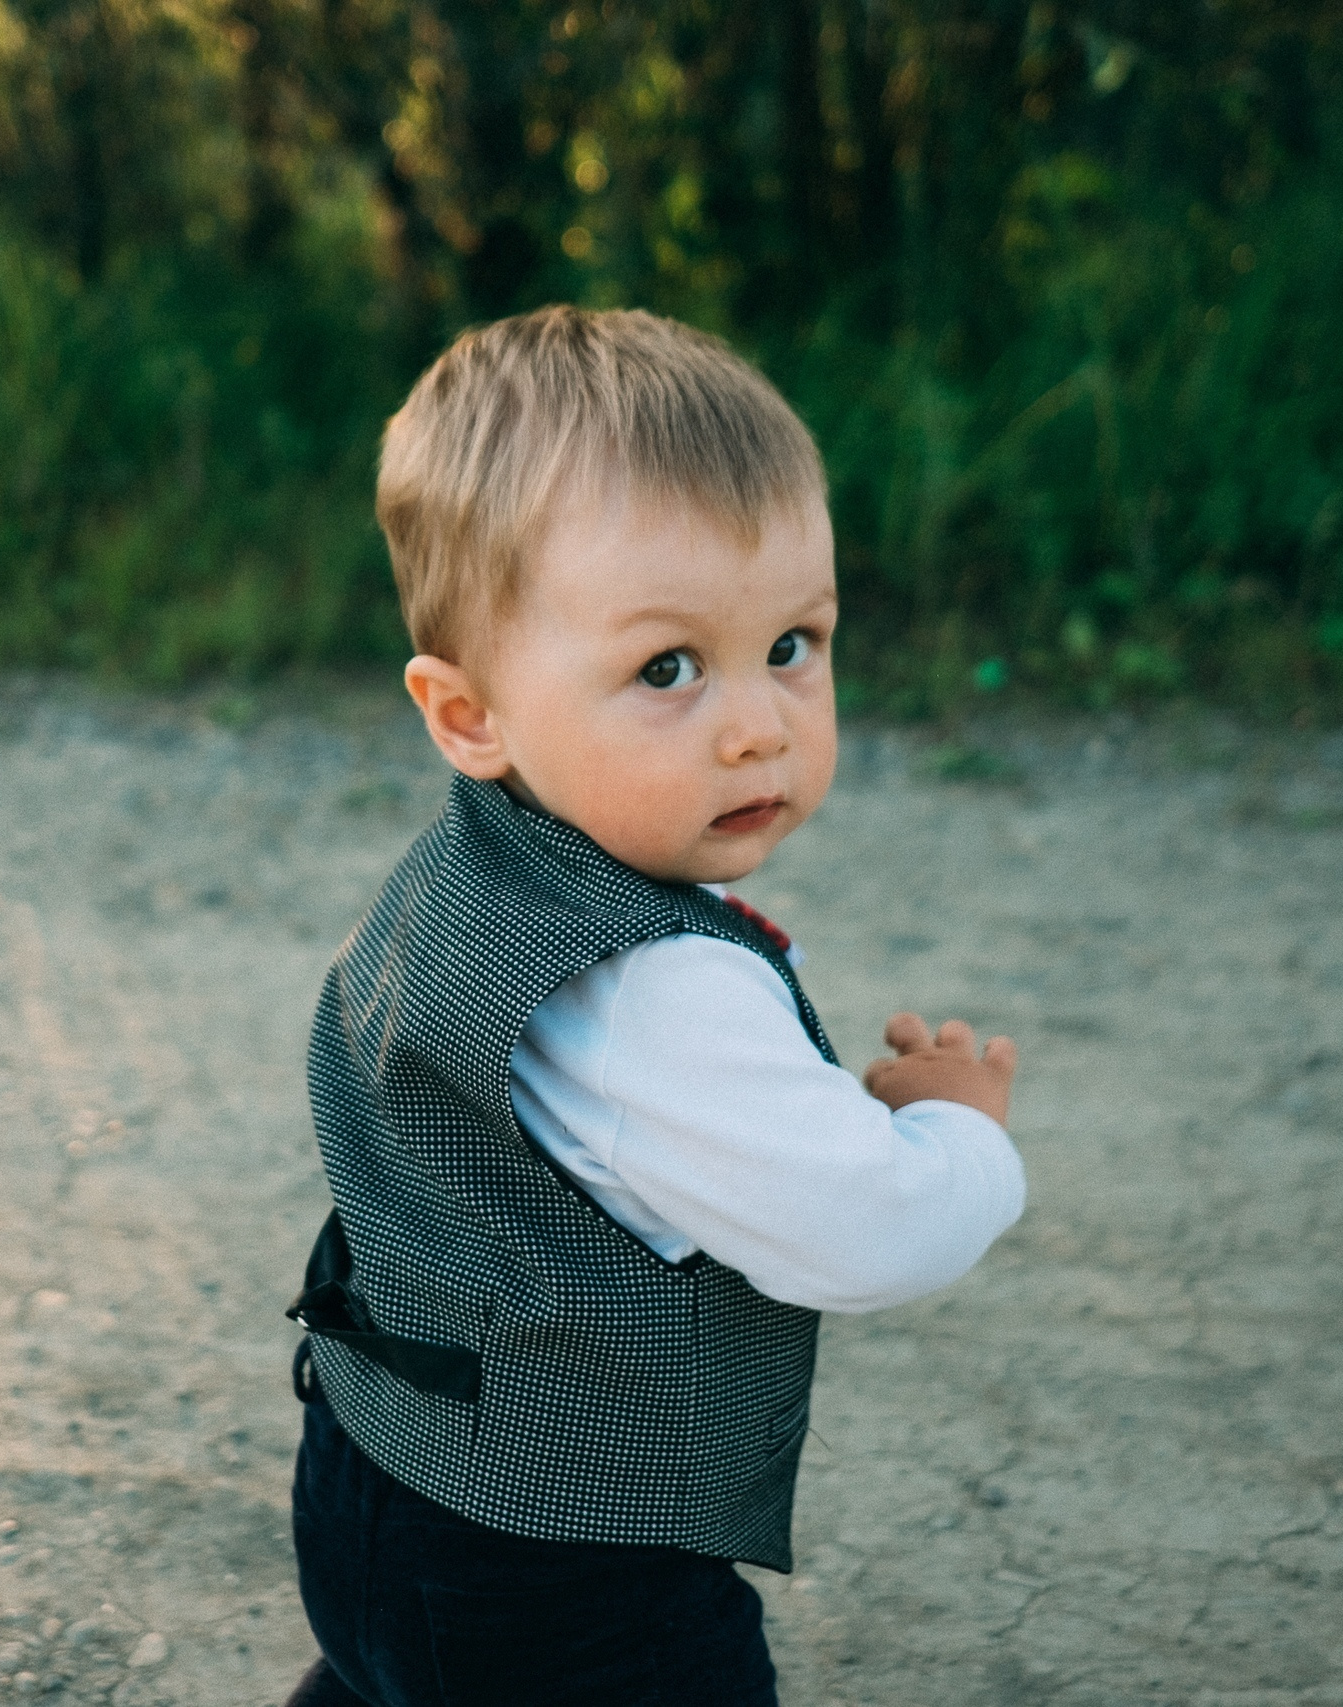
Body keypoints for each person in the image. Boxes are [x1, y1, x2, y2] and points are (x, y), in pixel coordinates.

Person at [283, 305, 1026, 1707]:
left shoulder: (465, 870)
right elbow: (869, 1229)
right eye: (667, 669)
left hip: (373, 1481)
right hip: (566, 1583)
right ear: (470, 714)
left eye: (795, 644)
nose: (757, 723)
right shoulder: (657, 997)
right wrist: (960, 1140)